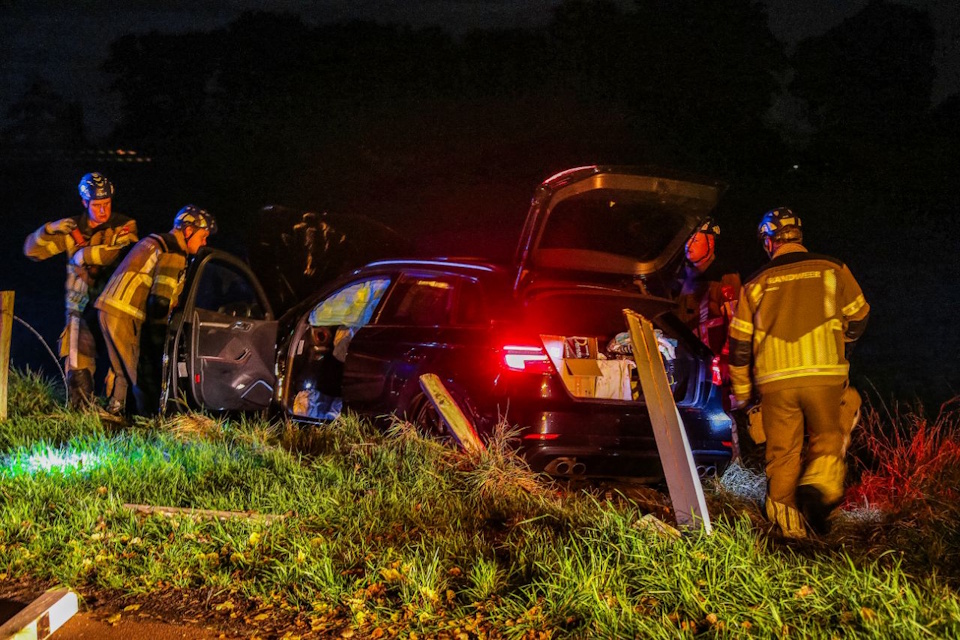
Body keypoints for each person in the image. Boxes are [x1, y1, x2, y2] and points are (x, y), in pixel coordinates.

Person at [728, 207, 869, 538]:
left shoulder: (754, 284)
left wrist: (744, 394)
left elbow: (739, 347)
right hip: (825, 376)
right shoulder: (833, 269)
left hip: (776, 384)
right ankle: (818, 486)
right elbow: (860, 315)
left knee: (782, 456)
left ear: (768, 241)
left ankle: (789, 534)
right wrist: (843, 343)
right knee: (829, 436)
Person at [23, 172, 138, 408]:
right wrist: (49, 229)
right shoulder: (71, 229)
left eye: (107, 204)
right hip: (81, 308)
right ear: (85, 202)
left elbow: (114, 254)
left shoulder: (123, 224)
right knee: (78, 363)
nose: (103, 210)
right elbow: (32, 252)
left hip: (114, 307)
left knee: (120, 366)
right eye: (97, 205)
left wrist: (80, 254)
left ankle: (120, 416)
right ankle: (81, 418)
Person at [95, 205, 216, 415]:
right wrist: (160, 339)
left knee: (121, 370)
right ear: (188, 231)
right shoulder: (174, 250)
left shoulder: (156, 240)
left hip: (107, 307)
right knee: (139, 374)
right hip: (125, 312)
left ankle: (114, 413)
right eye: (203, 236)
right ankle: (146, 423)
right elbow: (160, 300)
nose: (204, 242)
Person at [675, 218, 741, 409]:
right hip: (690, 366)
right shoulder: (682, 278)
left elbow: (735, 321)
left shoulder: (725, 276)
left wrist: (728, 358)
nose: (689, 246)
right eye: (687, 241)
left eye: (695, 240)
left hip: (716, 368)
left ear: (710, 243)